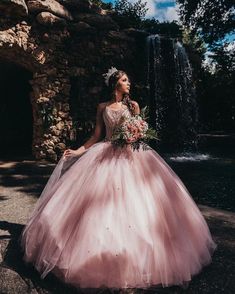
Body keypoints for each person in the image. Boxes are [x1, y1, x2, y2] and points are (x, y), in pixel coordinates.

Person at [21, 67, 217, 291]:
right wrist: (78, 151)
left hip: (133, 157)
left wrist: (136, 132)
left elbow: (139, 131)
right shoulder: (102, 107)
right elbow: (97, 135)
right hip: (104, 154)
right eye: (125, 80)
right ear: (115, 83)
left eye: (128, 80)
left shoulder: (132, 106)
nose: (129, 84)